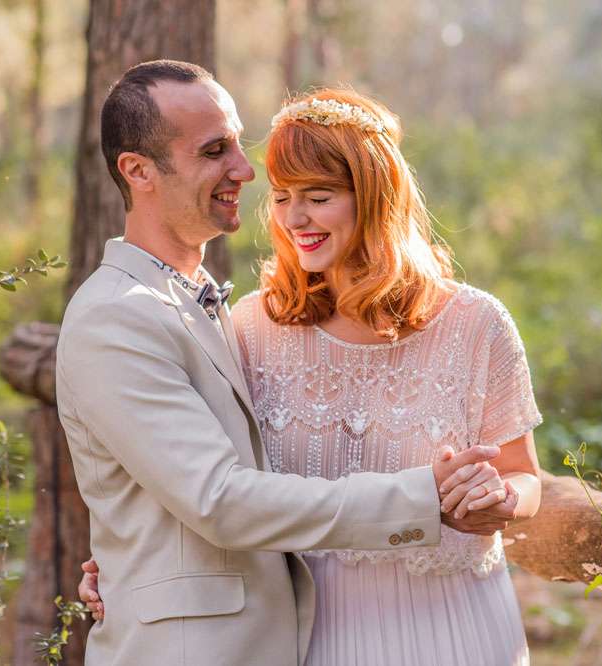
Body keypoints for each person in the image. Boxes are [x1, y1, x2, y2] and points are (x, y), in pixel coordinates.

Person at [57, 60, 517, 666]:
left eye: (237, 145)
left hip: (327, 631)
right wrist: (421, 498)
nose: (245, 170)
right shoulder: (116, 315)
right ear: (138, 171)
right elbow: (218, 498)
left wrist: (130, 556)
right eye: (215, 151)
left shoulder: (203, 304)